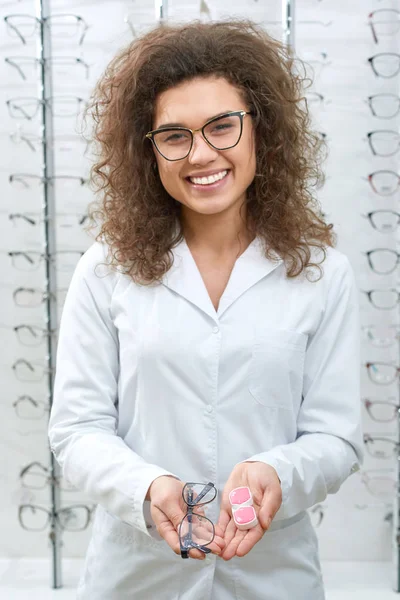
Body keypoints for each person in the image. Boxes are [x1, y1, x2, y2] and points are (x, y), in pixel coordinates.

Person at [48, 18, 363, 600]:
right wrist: (148, 487)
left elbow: (337, 436)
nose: (201, 154)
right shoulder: (106, 269)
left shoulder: (321, 273)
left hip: (274, 577)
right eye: (174, 136)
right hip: (137, 578)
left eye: (222, 126)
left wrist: (278, 473)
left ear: (261, 133)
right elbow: (75, 430)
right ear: (149, 152)